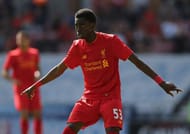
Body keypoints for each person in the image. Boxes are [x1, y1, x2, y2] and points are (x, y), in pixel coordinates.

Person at [21, 8, 182, 134]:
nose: (77, 29)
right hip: (89, 98)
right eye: (76, 25)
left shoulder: (111, 41)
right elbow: (59, 69)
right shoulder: (77, 47)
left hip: (110, 98)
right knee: (69, 130)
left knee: (112, 131)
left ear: (92, 25)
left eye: (81, 25)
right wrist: (36, 85)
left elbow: (137, 62)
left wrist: (161, 82)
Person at [2, 31, 43, 134]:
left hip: (33, 87)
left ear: (28, 40)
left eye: (23, 39)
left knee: (37, 113)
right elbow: (4, 72)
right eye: (18, 39)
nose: (20, 41)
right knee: (24, 113)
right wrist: (13, 80)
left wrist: (37, 74)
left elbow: (37, 68)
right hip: (21, 88)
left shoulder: (34, 53)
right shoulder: (13, 55)